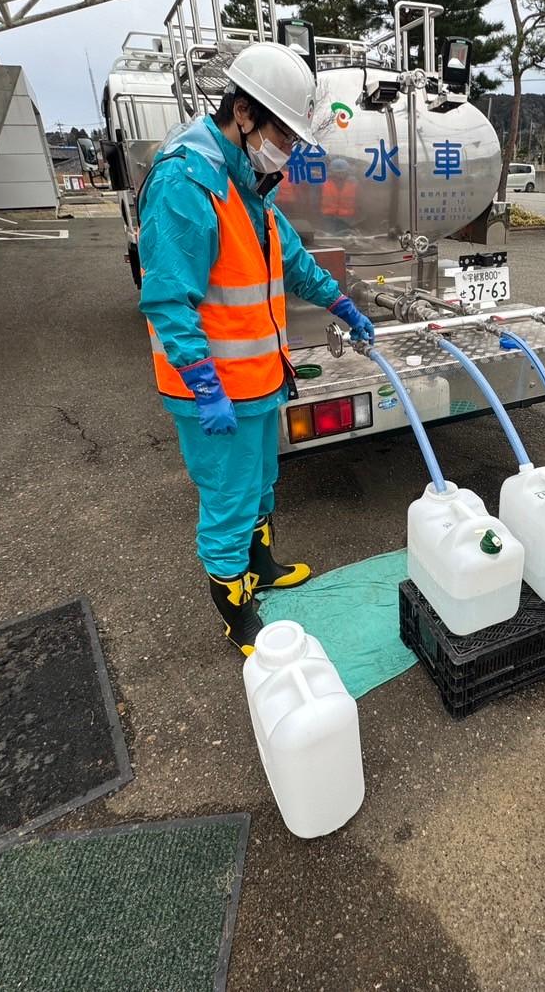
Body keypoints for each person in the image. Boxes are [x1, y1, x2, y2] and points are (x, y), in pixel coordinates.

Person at [138, 43, 374, 655]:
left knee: (262, 485)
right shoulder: (187, 183)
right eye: (284, 136)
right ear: (243, 112)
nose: (288, 153)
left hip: (260, 379)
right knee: (228, 503)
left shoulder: (248, 185)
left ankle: (262, 569)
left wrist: (341, 302)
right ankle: (238, 620)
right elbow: (168, 300)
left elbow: (290, 261)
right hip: (216, 390)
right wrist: (205, 384)